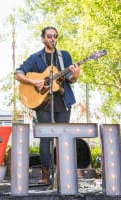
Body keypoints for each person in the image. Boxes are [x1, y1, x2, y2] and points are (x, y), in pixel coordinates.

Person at [14, 26, 80, 184]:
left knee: (64, 137)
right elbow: (18, 73)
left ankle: (64, 174)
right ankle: (45, 174)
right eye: (49, 36)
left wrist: (75, 76)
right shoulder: (36, 57)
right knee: (46, 138)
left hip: (63, 101)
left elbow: (70, 77)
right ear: (43, 39)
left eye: (55, 36)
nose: (53, 39)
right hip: (42, 102)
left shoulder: (64, 56)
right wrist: (33, 81)